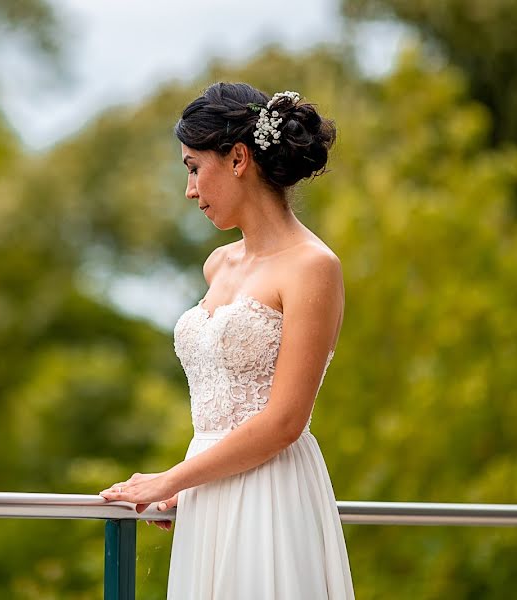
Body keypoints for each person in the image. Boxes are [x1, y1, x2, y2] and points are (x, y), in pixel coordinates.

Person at [100, 82, 355, 599]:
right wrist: (187, 485)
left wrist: (169, 479)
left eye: (194, 168)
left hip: (272, 494)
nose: (189, 190)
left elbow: (285, 421)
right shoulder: (217, 265)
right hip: (206, 493)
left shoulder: (314, 268)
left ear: (238, 158)